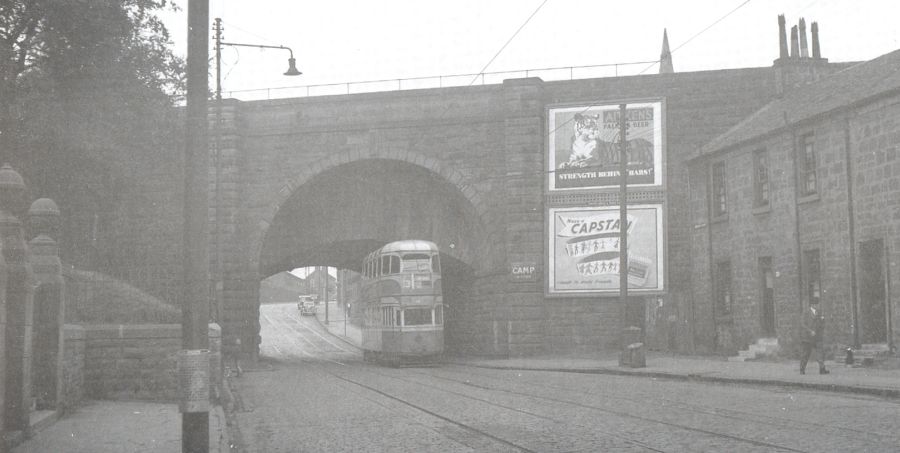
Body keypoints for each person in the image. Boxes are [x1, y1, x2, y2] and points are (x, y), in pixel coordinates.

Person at [799, 304, 828, 375]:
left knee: (820, 353)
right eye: (816, 305)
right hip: (807, 337)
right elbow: (802, 324)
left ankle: (822, 369)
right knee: (806, 354)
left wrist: (822, 324)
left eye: (818, 304)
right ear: (812, 305)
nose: (818, 306)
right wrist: (810, 331)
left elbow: (822, 322)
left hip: (817, 336)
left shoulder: (819, 312)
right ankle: (802, 369)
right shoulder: (806, 312)